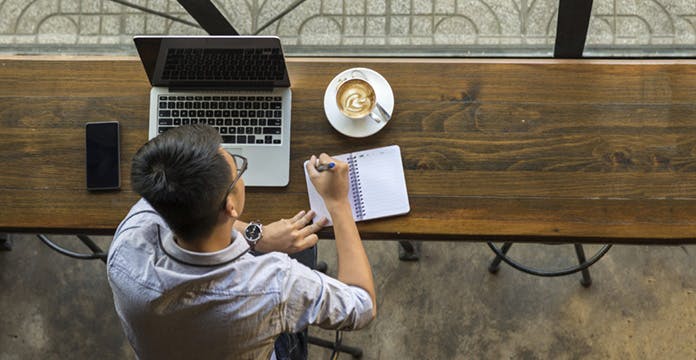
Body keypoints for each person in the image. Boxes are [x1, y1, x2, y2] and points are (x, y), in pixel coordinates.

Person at [106, 124, 376, 359]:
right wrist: (337, 202)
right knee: (305, 250)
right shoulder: (275, 283)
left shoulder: (126, 246)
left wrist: (257, 236)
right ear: (231, 205)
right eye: (238, 169)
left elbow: (169, 204)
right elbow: (362, 306)